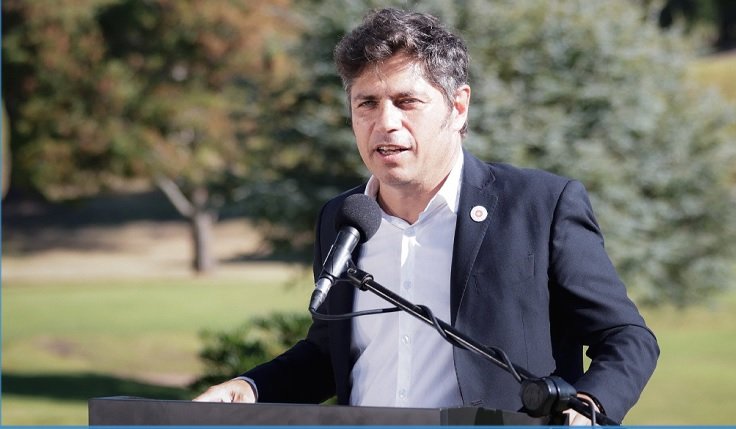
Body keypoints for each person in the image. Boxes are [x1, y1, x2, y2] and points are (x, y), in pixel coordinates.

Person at [195, 7, 659, 425]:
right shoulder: (343, 218)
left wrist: (588, 407)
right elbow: (329, 354)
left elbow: (626, 337)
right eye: (367, 104)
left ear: (458, 107)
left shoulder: (539, 205)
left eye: (406, 101)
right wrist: (251, 388)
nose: (385, 123)